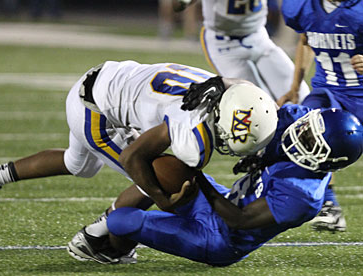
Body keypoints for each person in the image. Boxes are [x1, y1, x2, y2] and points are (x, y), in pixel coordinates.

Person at [0, 61, 278, 233]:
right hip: (95, 108)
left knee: (79, 164)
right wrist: (162, 199)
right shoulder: (192, 136)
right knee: (162, 176)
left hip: (107, 79)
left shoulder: (230, 89)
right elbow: (133, 156)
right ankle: (99, 239)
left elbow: (241, 88)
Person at [67, 104, 363, 266]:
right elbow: (263, 111)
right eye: (307, 127)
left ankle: (116, 253)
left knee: (121, 222)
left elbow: (239, 219)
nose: (300, 134)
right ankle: (124, 234)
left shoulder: (304, 196)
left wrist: (197, 176)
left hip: (220, 239)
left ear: (327, 160)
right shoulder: (297, 127)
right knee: (161, 169)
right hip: (222, 198)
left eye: (310, 139)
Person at [277, 0, 363, 232]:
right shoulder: (301, 7)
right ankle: (329, 206)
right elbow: (306, 40)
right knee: (308, 133)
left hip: (360, 93)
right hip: (329, 91)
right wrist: (295, 87)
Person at [175, 0, 310, 102]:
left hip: (259, 37)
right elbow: (178, 5)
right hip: (224, 45)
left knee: (302, 95)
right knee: (255, 101)